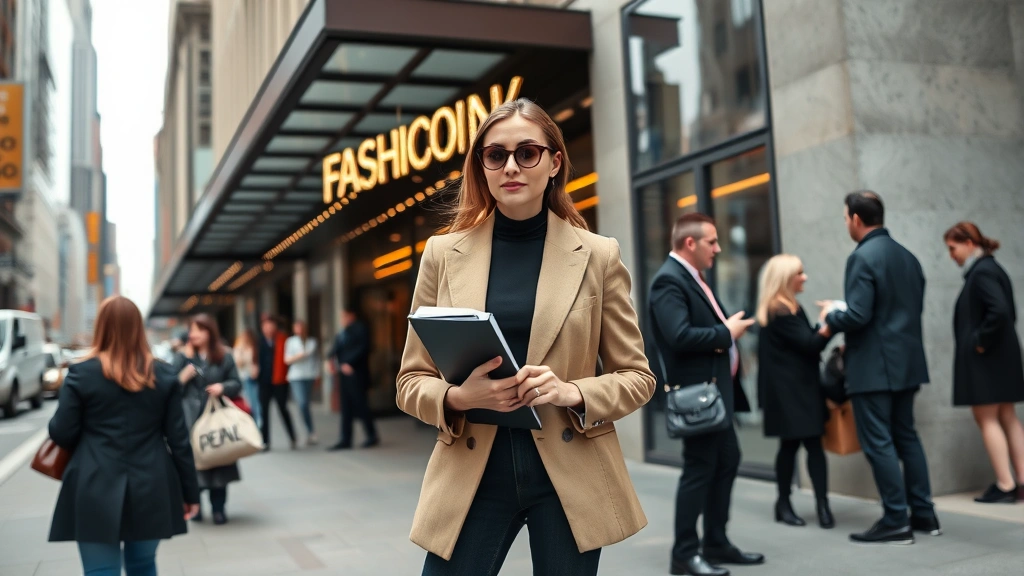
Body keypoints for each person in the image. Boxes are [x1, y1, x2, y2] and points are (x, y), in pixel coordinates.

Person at [396, 98, 656, 576]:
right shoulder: (441, 254)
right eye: (495, 155)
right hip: (473, 472)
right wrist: (456, 397)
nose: (510, 166)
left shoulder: (598, 256)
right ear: (482, 166)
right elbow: (410, 381)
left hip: (570, 472)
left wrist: (573, 390)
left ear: (554, 162)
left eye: (527, 152)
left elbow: (637, 377)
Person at [48, 296, 200, 575]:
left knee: (100, 571)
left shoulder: (80, 374)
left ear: (101, 327)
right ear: (138, 328)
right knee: (143, 565)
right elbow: (179, 442)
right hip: (152, 484)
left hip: (93, 482)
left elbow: (61, 432)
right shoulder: (164, 375)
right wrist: (190, 493)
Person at [819, 191, 939, 544]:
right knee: (907, 436)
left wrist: (831, 315)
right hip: (907, 363)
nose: (846, 225)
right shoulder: (909, 257)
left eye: (845, 219)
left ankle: (895, 519)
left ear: (856, 219)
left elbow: (858, 314)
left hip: (874, 367)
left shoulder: (862, 257)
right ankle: (924, 514)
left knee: (879, 442)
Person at [648, 212, 763, 576]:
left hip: (715, 396)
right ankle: (684, 553)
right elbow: (678, 336)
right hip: (699, 398)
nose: (718, 248)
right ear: (690, 243)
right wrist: (727, 332)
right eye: (712, 241)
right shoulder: (669, 281)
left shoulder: (692, 278)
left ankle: (715, 542)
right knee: (699, 470)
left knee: (727, 460)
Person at [944, 221, 1024, 503]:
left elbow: (1000, 311)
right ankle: (1021, 483)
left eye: (953, 248)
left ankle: (1005, 484)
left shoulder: (981, 273)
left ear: (968, 243)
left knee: (987, 416)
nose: (951, 255)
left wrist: (979, 340)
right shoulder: (991, 268)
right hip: (1000, 357)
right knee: (1006, 415)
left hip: (988, 359)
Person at [755, 255, 834, 529]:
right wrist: (830, 323)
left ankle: (808, 505)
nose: (805, 277)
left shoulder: (789, 307)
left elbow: (805, 342)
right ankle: (790, 504)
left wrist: (821, 329)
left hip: (798, 390)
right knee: (797, 447)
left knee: (804, 446)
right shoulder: (780, 310)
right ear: (785, 278)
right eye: (799, 273)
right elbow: (810, 344)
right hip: (789, 393)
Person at [171, 313, 244, 526]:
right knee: (195, 466)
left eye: (198, 330)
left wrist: (223, 387)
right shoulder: (182, 357)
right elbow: (169, 388)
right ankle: (197, 507)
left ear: (209, 332)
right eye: (191, 330)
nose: (193, 334)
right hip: (191, 420)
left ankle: (219, 508)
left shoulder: (223, 356)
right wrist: (181, 378)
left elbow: (236, 382)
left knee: (219, 462)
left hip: (216, 419)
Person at [328, 308, 378, 450]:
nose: (342, 319)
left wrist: (349, 363)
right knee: (346, 407)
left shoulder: (360, 329)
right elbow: (335, 348)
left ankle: (372, 435)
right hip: (344, 375)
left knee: (361, 404)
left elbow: (363, 348)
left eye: (344, 316)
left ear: (351, 315)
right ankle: (345, 438)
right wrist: (329, 359)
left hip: (356, 373)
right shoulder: (343, 332)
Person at [257, 314, 297, 451]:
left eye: (269, 325)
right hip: (264, 381)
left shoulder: (282, 339)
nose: (267, 328)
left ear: (274, 326)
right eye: (264, 325)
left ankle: (292, 437)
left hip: (280, 381)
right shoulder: (259, 341)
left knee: (282, 408)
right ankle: (265, 441)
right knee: (264, 412)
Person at [285, 320, 319, 446]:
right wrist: (299, 356)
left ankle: (310, 432)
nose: (299, 329)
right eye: (296, 327)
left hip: (309, 375)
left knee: (306, 404)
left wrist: (317, 375)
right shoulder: (290, 341)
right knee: (302, 403)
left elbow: (315, 360)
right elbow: (287, 359)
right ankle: (308, 430)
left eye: (301, 327)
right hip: (296, 376)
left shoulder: (312, 341)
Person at [233, 329, 262, 430]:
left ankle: (257, 424)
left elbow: (255, 362)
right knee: (245, 403)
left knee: (255, 403)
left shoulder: (253, 348)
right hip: (242, 378)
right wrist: (241, 351)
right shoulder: (239, 348)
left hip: (252, 377)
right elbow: (238, 362)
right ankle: (251, 425)